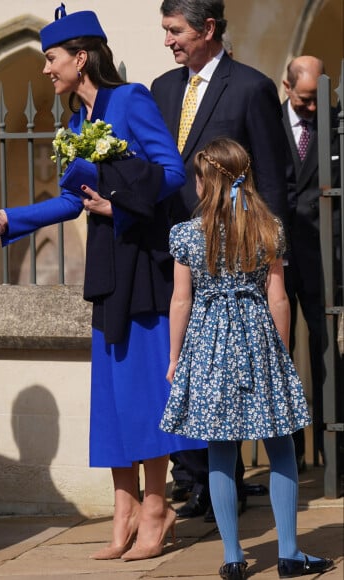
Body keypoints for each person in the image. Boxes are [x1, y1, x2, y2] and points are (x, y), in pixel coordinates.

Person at [0, 3, 205, 562]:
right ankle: (123, 509)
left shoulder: (131, 100)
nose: (46, 70)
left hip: (143, 263)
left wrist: (115, 200)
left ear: (81, 57)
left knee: (147, 393)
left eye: (51, 59)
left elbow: (172, 172)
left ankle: (157, 506)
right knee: (114, 398)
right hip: (107, 268)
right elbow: (66, 202)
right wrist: (8, 218)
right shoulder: (75, 125)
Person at [160, 137, 335, 580]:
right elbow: (278, 299)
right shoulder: (268, 229)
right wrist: (278, 351)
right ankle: (290, 554)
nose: (195, 185)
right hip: (257, 338)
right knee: (280, 447)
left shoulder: (186, 233)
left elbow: (181, 301)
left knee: (220, 449)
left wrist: (175, 356)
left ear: (207, 183)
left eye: (199, 177)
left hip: (209, 342)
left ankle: (234, 557)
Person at [150, 0, 291, 521]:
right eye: (165, 31)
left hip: (238, 261)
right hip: (177, 251)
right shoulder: (162, 89)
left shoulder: (251, 87)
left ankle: (224, 486)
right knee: (188, 372)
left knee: (235, 377)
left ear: (208, 28)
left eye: (175, 30)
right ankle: (193, 480)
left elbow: (273, 178)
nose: (168, 40)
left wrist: (273, 255)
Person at [281, 55, 340, 472]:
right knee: (281, 353)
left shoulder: (336, 122)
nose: (314, 107)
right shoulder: (267, 122)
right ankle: (291, 456)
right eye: (305, 99)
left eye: (320, 97)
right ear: (287, 88)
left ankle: (331, 451)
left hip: (325, 256)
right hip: (279, 257)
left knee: (327, 354)